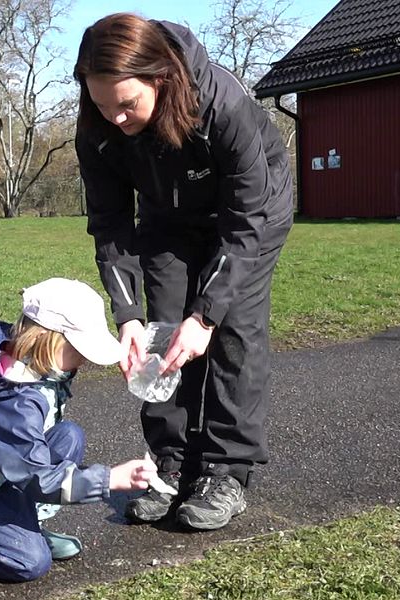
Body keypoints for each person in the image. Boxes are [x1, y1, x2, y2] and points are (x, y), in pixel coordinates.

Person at [74, 13, 294, 531]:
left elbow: (246, 222)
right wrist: (127, 314)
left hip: (249, 213)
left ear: (161, 78)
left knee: (232, 328)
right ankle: (170, 463)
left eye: (127, 104)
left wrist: (208, 316)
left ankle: (225, 470)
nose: (115, 118)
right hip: (167, 219)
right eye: (103, 105)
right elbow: (110, 225)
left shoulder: (221, 102)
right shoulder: (98, 128)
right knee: (161, 331)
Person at [0, 277, 156, 582]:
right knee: (29, 562)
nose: (85, 359)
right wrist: (110, 479)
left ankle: (25, 525)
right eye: (80, 349)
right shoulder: (13, 401)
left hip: (4, 469)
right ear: (49, 341)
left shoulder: (36, 364)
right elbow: (37, 475)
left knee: (69, 436)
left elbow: (28, 459)